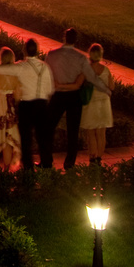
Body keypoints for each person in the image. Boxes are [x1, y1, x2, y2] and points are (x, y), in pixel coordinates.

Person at [0, 39, 54, 171]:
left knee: (26, 138)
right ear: (38, 50)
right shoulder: (45, 67)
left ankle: (28, 167)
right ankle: (46, 164)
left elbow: (1, 69)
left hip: (26, 105)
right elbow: (50, 89)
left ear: (24, 50)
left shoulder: (21, 67)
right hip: (42, 104)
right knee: (43, 137)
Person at [46, 28, 99, 171]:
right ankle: (69, 163)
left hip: (58, 95)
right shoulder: (82, 58)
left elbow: (47, 76)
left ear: (64, 38)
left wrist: (57, 85)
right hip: (74, 96)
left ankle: (47, 161)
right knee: (73, 131)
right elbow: (83, 80)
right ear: (76, 40)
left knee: (48, 128)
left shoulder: (52, 55)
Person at [79, 45, 115, 165]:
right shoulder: (106, 70)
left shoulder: (86, 69)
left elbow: (79, 84)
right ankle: (99, 157)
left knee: (91, 132)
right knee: (101, 133)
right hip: (104, 103)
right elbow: (112, 87)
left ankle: (92, 157)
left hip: (90, 103)